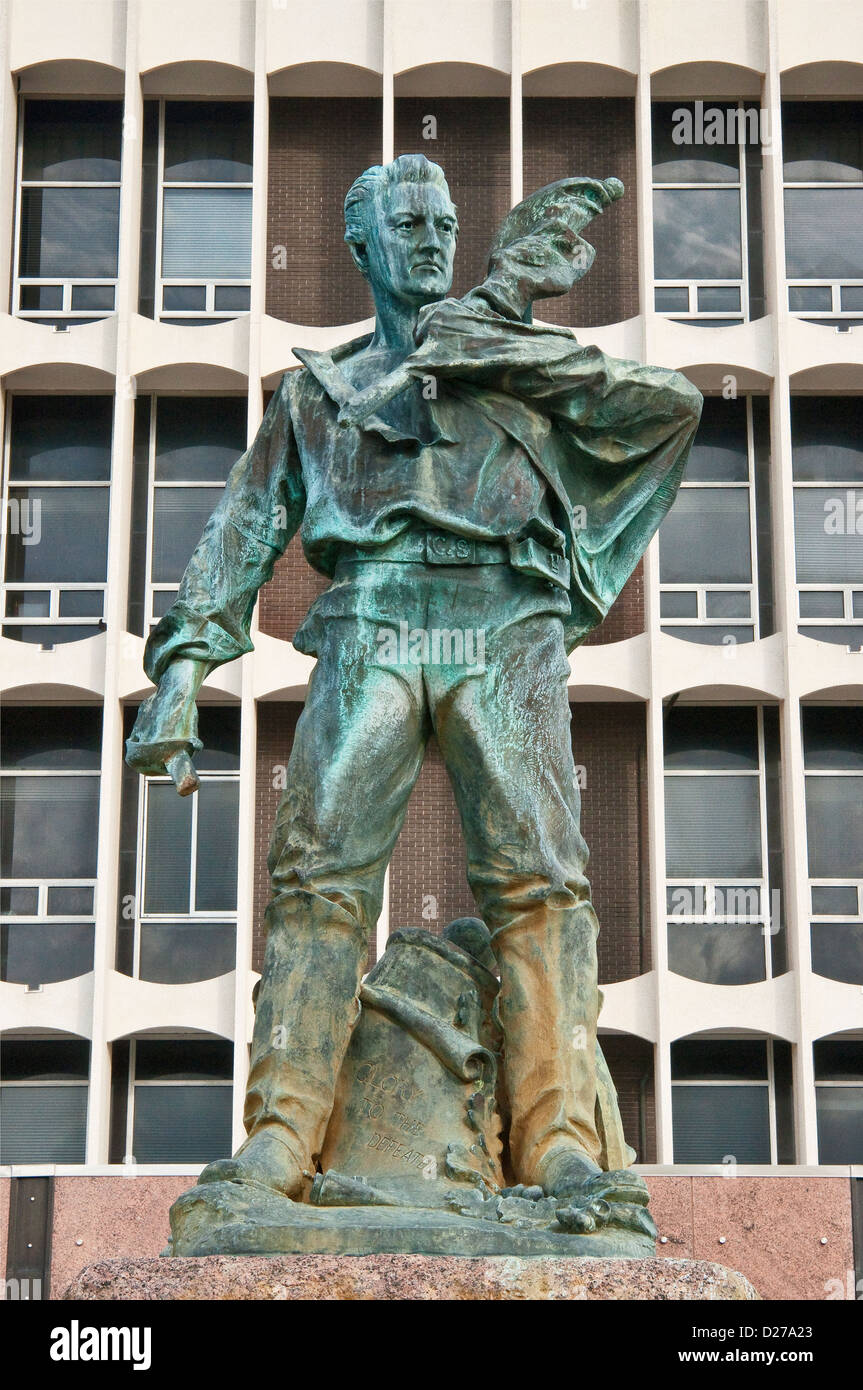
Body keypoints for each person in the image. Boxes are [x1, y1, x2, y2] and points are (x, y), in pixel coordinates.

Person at [126, 154, 701, 1221]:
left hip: (505, 622)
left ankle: (561, 1147)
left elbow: (668, 407)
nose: (433, 238)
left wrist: (505, 352)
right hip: (368, 617)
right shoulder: (320, 389)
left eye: (445, 221)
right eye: (408, 224)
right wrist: (180, 676)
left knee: (541, 884)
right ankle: (278, 1137)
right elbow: (242, 530)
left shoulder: (513, 360)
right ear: (360, 247)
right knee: (317, 880)